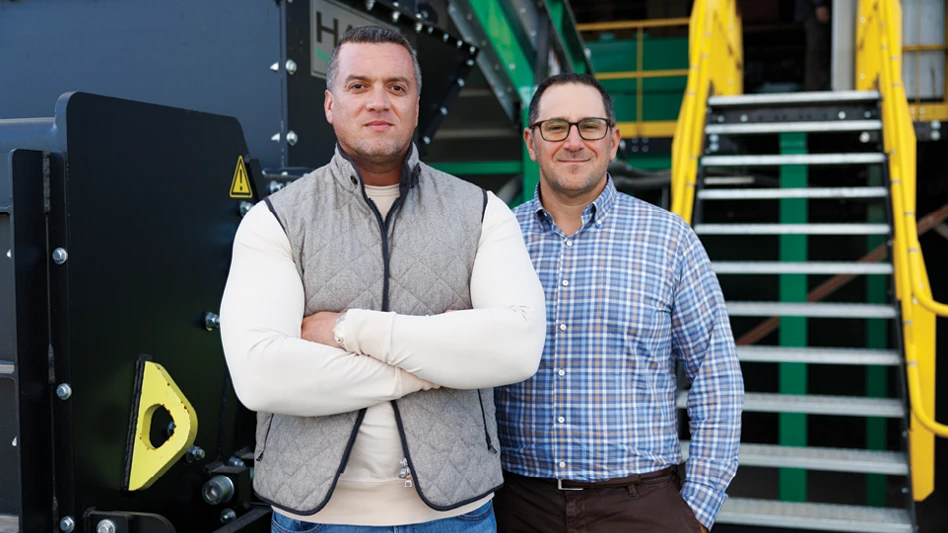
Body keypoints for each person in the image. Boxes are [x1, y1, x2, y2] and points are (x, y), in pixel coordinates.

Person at [219, 25, 546, 533]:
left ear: (416, 104)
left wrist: (347, 329)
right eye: (358, 86)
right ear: (330, 105)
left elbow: (518, 349)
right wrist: (440, 363)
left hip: (455, 518)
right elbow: (260, 376)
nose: (378, 101)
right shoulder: (276, 219)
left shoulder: (481, 212)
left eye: (396, 87)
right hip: (316, 520)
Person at [493, 73, 744, 533]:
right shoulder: (495, 239)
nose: (573, 142)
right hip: (519, 506)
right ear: (532, 141)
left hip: (640, 506)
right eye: (555, 128)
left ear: (613, 141)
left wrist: (697, 512)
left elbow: (716, 377)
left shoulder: (670, 239)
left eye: (589, 126)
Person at [797, 0, 831, 91]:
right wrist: (820, 4)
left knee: (819, 54)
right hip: (813, 11)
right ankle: (815, 91)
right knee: (817, 54)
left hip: (814, 10)